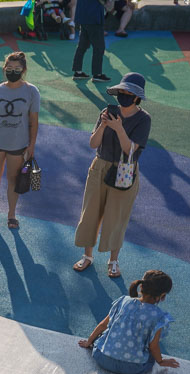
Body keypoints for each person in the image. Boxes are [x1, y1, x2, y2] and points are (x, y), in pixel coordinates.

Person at [72, 73, 151, 278]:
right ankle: (87, 256)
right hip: (100, 166)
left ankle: (113, 261)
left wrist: (118, 129)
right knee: (90, 212)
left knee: (117, 217)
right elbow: (93, 143)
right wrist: (105, 125)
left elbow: (131, 151)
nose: (123, 95)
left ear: (137, 96)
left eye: (128, 92)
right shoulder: (107, 112)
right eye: (122, 91)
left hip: (125, 170)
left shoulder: (144, 119)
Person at [0, 52, 40, 230]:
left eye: (17, 69)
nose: (13, 71)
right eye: (10, 68)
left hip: (18, 144)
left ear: (24, 70)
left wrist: (32, 145)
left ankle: (11, 214)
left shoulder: (31, 91)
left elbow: (34, 121)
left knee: (13, 179)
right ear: (4, 69)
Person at [79, 270, 179, 374]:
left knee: (105, 334)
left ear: (141, 287)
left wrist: (88, 342)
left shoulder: (124, 301)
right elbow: (153, 346)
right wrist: (161, 361)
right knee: (150, 357)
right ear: (162, 295)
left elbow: (103, 325)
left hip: (103, 358)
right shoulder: (158, 316)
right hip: (132, 368)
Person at [72, 0, 112, 82]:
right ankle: (97, 74)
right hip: (94, 17)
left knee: (82, 46)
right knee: (99, 47)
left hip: (83, 17)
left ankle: (77, 72)